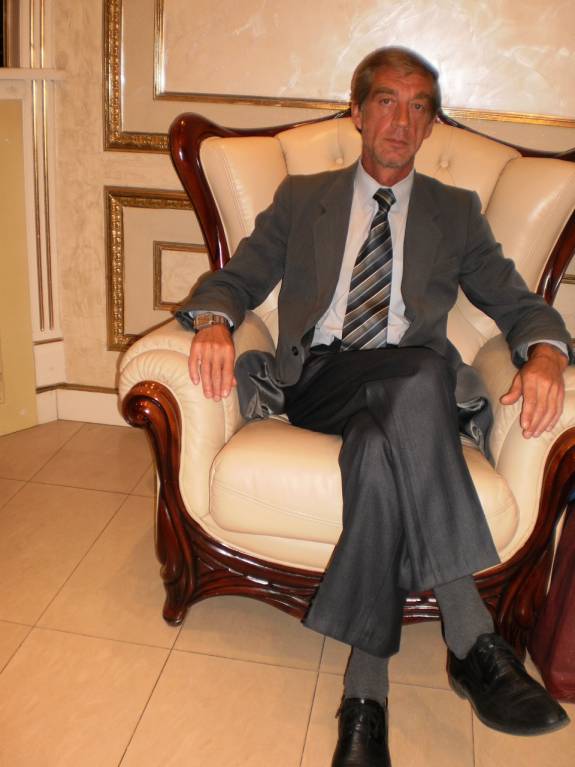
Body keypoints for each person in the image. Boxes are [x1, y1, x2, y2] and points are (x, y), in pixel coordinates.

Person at [177, 47, 572, 767]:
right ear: (357, 113)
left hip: (406, 400)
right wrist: (211, 321)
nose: (401, 121)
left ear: (430, 126)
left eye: (418, 107)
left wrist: (545, 352)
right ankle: (471, 638)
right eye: (386, 101)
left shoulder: (455, 212)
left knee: (380, 448)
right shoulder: (304, 198)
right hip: (321, 379)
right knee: (421, 375)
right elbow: (238, 277)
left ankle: (364, 700)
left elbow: (517, 303)